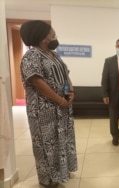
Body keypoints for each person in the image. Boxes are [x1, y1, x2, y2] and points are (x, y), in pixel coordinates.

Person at [19, 20, 77, 188]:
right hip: (43, 111)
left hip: (62, 108)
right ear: (42, 35)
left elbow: (65, 75)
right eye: (52, 33)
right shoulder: (31, 55)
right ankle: (48, 180)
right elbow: (37, 82)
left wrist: (70, 92)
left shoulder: (54, 55)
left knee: (62, 141)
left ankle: (61, 172)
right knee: (46, 146)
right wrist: (59, 100)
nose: (54, 35)